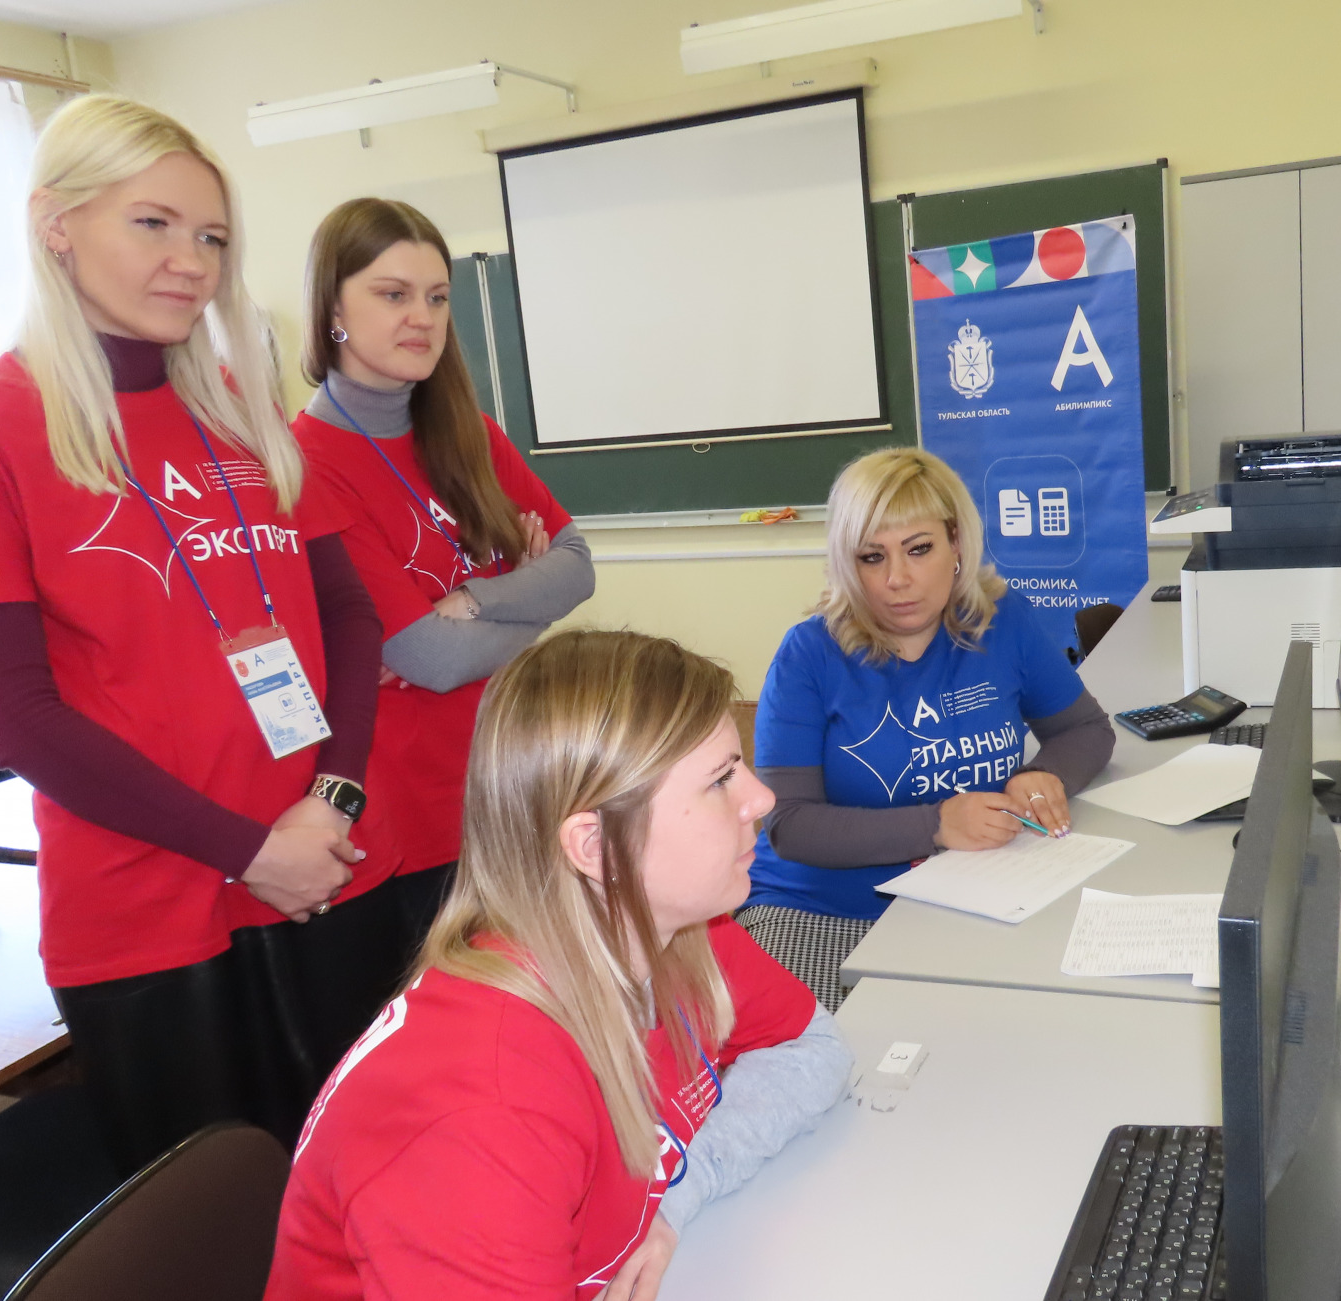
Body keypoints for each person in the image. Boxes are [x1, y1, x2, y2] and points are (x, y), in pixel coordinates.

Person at [0, 94, 387, 1171]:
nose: (190, 263)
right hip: (154, 909)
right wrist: (252, 851)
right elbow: (15, 718)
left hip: (320, 867)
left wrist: (330, 800)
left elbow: (348, 616)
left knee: (356, 1184)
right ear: (55, 224)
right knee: (218, 1224)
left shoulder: (238, 405)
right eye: (153, 224)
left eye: (211, 237)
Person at [268, 630, 851, 1300]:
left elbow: (813, 1046)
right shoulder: (480, 1112)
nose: (761, 798)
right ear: (596, 847)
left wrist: (679, 1195)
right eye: (720, 780)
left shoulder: (673, 929)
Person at [294, 197, 593, 949]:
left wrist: (475, 599)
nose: (421, 318)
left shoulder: (469, 433)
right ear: (333, 308)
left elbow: (579, 567)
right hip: (412, 816)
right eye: (393, 294)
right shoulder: (306, 461)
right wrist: (532, 596)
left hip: (514, 779)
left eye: (436, 297)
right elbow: (428, 657)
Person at [740, 447, 1116, 1008]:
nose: (897, 579)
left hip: (978, 893)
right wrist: (936, 824)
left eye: (919, 549)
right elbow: (788, 825)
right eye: (872, 557)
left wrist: (1043, 776)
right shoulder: (808, 655)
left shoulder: (1002, 621)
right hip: (821, 909)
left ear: (956, 543)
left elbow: (1085, 730)